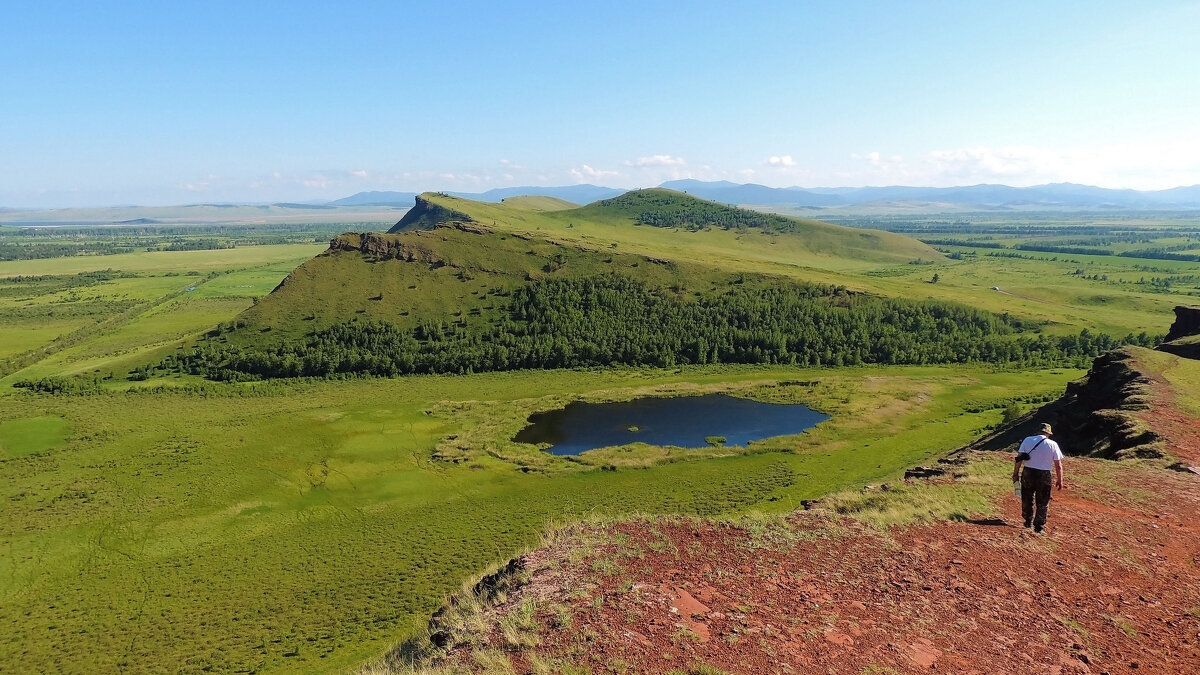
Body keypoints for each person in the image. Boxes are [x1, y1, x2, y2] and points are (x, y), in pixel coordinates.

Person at [1012, 423, 1065, 533]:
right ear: (1048, 433)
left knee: (1027, 497)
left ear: (1038, 431)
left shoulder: (1027, 440)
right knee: (1043, 501)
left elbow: (1019, 458)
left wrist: (1015, 473)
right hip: (1044, 474)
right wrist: (1060, 480)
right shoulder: (1053, 444)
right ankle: (1039, 527)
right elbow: (1058, 465)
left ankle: (1028, 521)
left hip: (1028, 472)